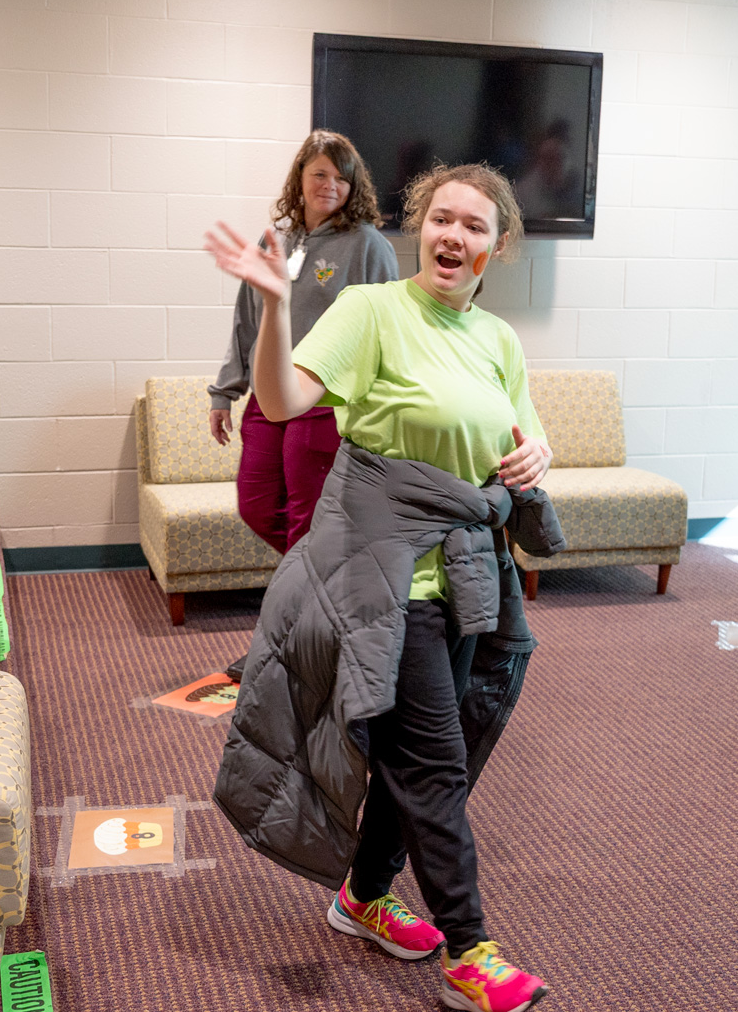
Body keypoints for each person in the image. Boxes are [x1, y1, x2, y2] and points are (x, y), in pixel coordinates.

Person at [206, 162, 556, 1012]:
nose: (453, 236)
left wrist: (537, 456)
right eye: (441, 218)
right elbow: (286, 399)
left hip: (470, 573)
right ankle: (472, 952)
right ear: (418, 227)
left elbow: (523, 440)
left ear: (496, 247)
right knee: (434, 757)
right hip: (383, 578)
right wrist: (275, 306)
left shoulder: (499, 340)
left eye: (474, 226)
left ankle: (362, 895)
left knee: (429, 753)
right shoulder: (372, 312)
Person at [209, 129, 398, 556]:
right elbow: (247, 320)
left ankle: (305, 606)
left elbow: (390, 330)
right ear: (300, 178)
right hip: (268, 396)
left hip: (321, 401)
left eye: (341, 179)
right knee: (256, 508)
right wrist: (224, 392)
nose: (330, 186)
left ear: (353, 187)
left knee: (307, 517)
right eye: (320, 174)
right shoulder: (277, 240)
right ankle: (327, 574)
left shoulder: (369, 245)